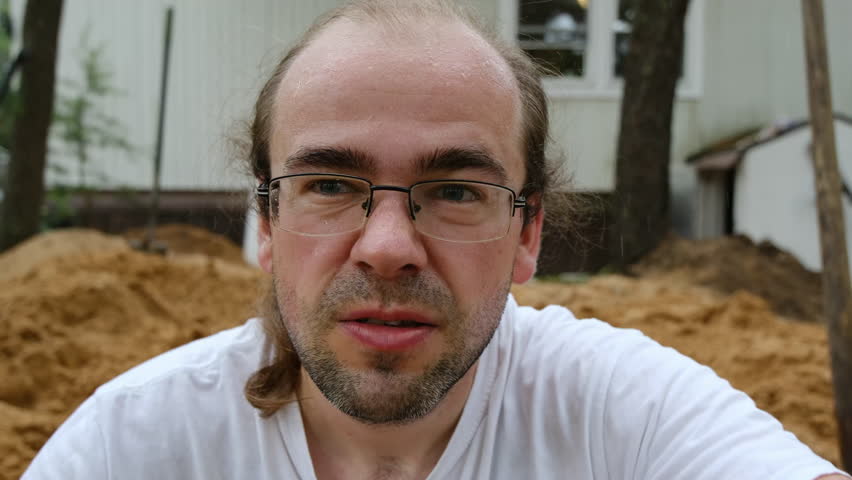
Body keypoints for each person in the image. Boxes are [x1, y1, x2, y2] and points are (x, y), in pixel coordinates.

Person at [23, 1, 850, 479]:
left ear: (529, 232)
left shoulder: (621, 418)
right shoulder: (133, 446)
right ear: (267, 225)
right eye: (332, 186)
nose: (387, 247)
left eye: (455, 190)